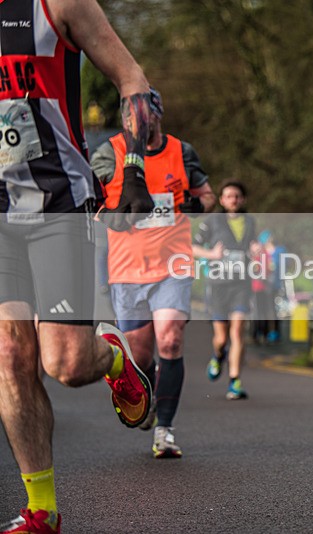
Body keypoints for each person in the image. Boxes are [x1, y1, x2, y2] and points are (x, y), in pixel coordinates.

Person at [0, 1, 157, 532]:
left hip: (56, 204)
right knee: (9, 356)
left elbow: (132, 79)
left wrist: (132, 167)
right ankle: (41, 509)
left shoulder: (57, 4)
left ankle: (113, 359)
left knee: (64, 365)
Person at [90, 88, 216, 458]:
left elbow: (207, 194)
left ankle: (165, 430)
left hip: (172, 265)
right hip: (127, 268)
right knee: (140, 358)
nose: (138, 125)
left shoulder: (181, 151)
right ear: (124, 120)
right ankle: (144, 400)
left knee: (171, 340)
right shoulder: (107, 153)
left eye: (145, 118)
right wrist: (110, 214)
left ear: (157, 116)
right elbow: (91, 201)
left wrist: (196, 204)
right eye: (131, 119)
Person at [193, 181, 258, 400]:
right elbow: (192, 247)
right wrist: (211, 255)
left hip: (241, 284)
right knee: (221, 338)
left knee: (237, 331)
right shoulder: (212, 222)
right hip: (218, 285)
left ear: (243, 199)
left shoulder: (250, 222)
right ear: (222, 200)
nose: (233, 200)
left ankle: (234, 382)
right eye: (229, 196)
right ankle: (218, 355)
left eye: (237, 196)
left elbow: (253, 246)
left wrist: (256, 250)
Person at [250, 230, 285, 344]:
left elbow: (269, 269)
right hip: (261, 286)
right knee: (262, 311)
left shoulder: (270, 253)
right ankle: (261, 333)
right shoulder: (262, 254)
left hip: (267, 286)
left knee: (266, 310)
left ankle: (265, 334)